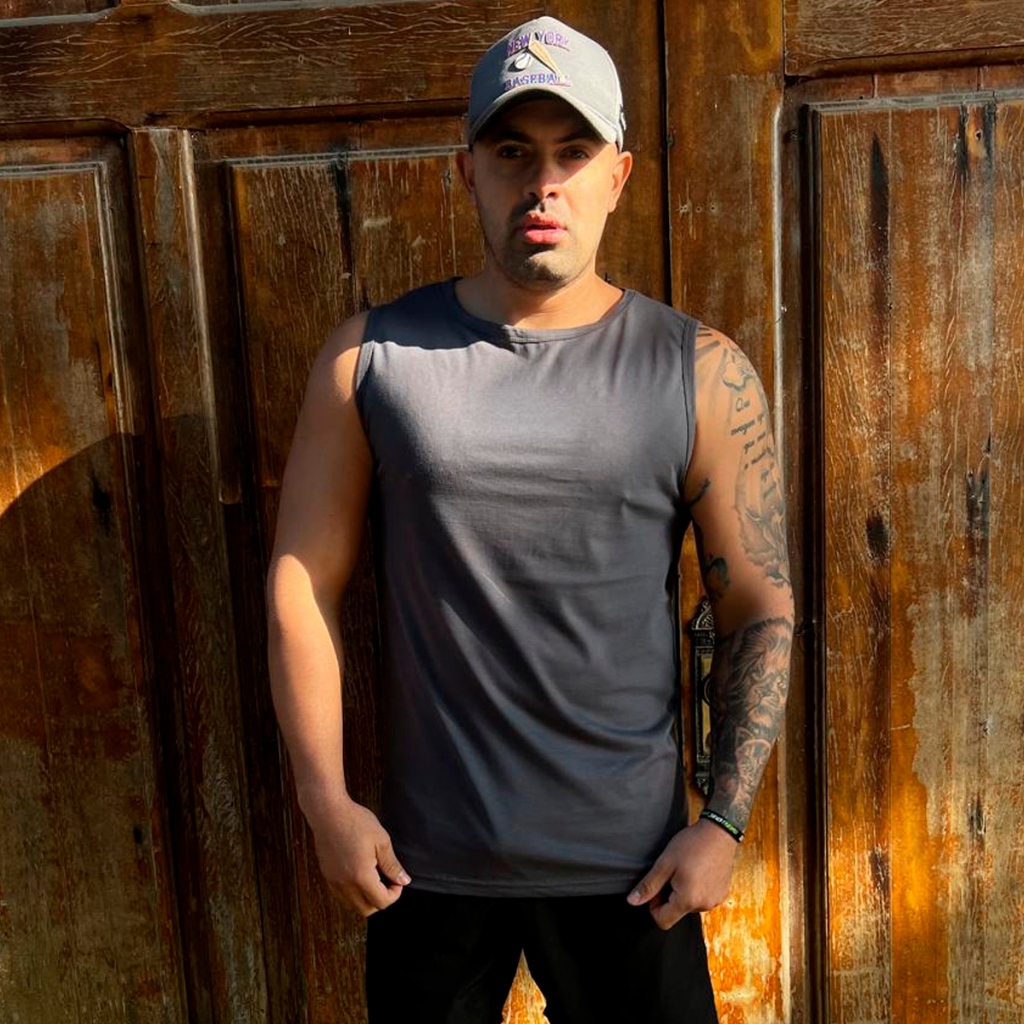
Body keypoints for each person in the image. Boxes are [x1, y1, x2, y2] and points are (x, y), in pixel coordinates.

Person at [266, 15, 793, 1024]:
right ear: (467, 171)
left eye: (572, 152)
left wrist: (723, 822)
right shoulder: (372, 359)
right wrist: (324, 803)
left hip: (635, 874)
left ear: (617, 175)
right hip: (425, 869)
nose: (542, 183)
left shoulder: (698, 372)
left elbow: (758, 605)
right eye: (512, 152)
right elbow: (303, 580)